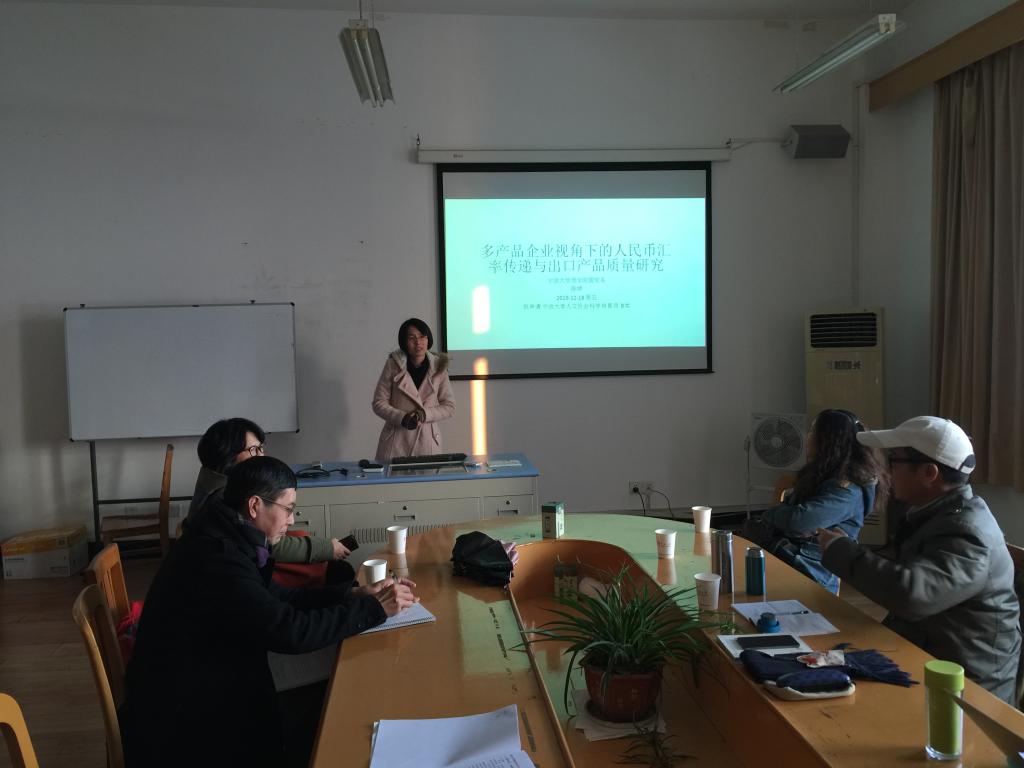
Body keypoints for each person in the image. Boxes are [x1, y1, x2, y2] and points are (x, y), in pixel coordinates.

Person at [120, 456, 418, 767]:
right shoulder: (218, 558)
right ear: (254, 506)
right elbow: (289, 631)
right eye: (288, 509)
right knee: (331, 704)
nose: (292, 519)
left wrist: (353, 594)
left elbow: (278, 597)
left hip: (207, 673)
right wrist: (373, 609)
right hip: (185, 717)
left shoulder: (226, 531)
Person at [818, 416, 1021, 703]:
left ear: (929, 473)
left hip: (966, 691)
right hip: (929, 655)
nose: (886, 471)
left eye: (893, 461)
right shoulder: (935, 513)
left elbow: (913, 595)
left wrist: (839, 549)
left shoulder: (968, 533)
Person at [750, 409, 887, 593]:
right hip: (788, 553)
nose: (808, 437)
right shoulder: (823, 472)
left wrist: (771, 514)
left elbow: (799, 521)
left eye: (813, 431)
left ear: (829, 441)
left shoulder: (849, 489)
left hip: (810, 569)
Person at [187, 417, 352, 569]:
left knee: (301, 534)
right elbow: (271, 546)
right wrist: (327, 548)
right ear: (228, 455)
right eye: (253, 450)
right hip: (248, 565)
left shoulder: (211, 478)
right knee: (335, 570)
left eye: (261, 448)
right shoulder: (224, 496)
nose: (261, 456)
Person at [372, 318, 455, 461]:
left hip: (427, 442)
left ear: (428, 339)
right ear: (404, 342)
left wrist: (425, 414)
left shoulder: (439, 367)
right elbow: (379, 403)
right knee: (393, 476)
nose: (418, 342)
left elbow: (449, 406)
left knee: (426, 476)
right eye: (412, 338)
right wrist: (401, 417)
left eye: (422, 337)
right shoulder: (392, 365)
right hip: (396, 442)